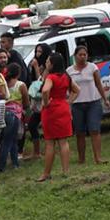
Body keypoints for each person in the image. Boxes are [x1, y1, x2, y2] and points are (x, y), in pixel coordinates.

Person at [38, 52, 78, 181]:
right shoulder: (66, 76)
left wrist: (45, 102)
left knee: (50, 143)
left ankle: (46, 173)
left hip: (51, 109)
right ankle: (66, 171)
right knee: (63, 141)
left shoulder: (51, 77)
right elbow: (77, 90)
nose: (46, 63)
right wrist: (69, 101)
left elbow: (45, 90)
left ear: (52, 64)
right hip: (63, 107)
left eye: (48, 61)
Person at [67, 45, 106, 165]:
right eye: (80, 55)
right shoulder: (69, 71)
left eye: (85, 55)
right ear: (75, 56)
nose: (83, 57)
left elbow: (98, 84)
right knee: (80, 132)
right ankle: (81, 158)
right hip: (77, 104)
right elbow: (68, 89)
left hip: (93, 102)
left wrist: (105, 98)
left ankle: (98, 157)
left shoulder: (92, 67)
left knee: (94, 130)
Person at [0, 62, 29, 172]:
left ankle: (15, 162)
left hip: (3, 112)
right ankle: (1, 166)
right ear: (18, 73)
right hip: (14, 115)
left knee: (8, 139)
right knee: (9, 140)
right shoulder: (20, 85)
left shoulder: (3, 84)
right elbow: (26, 103)